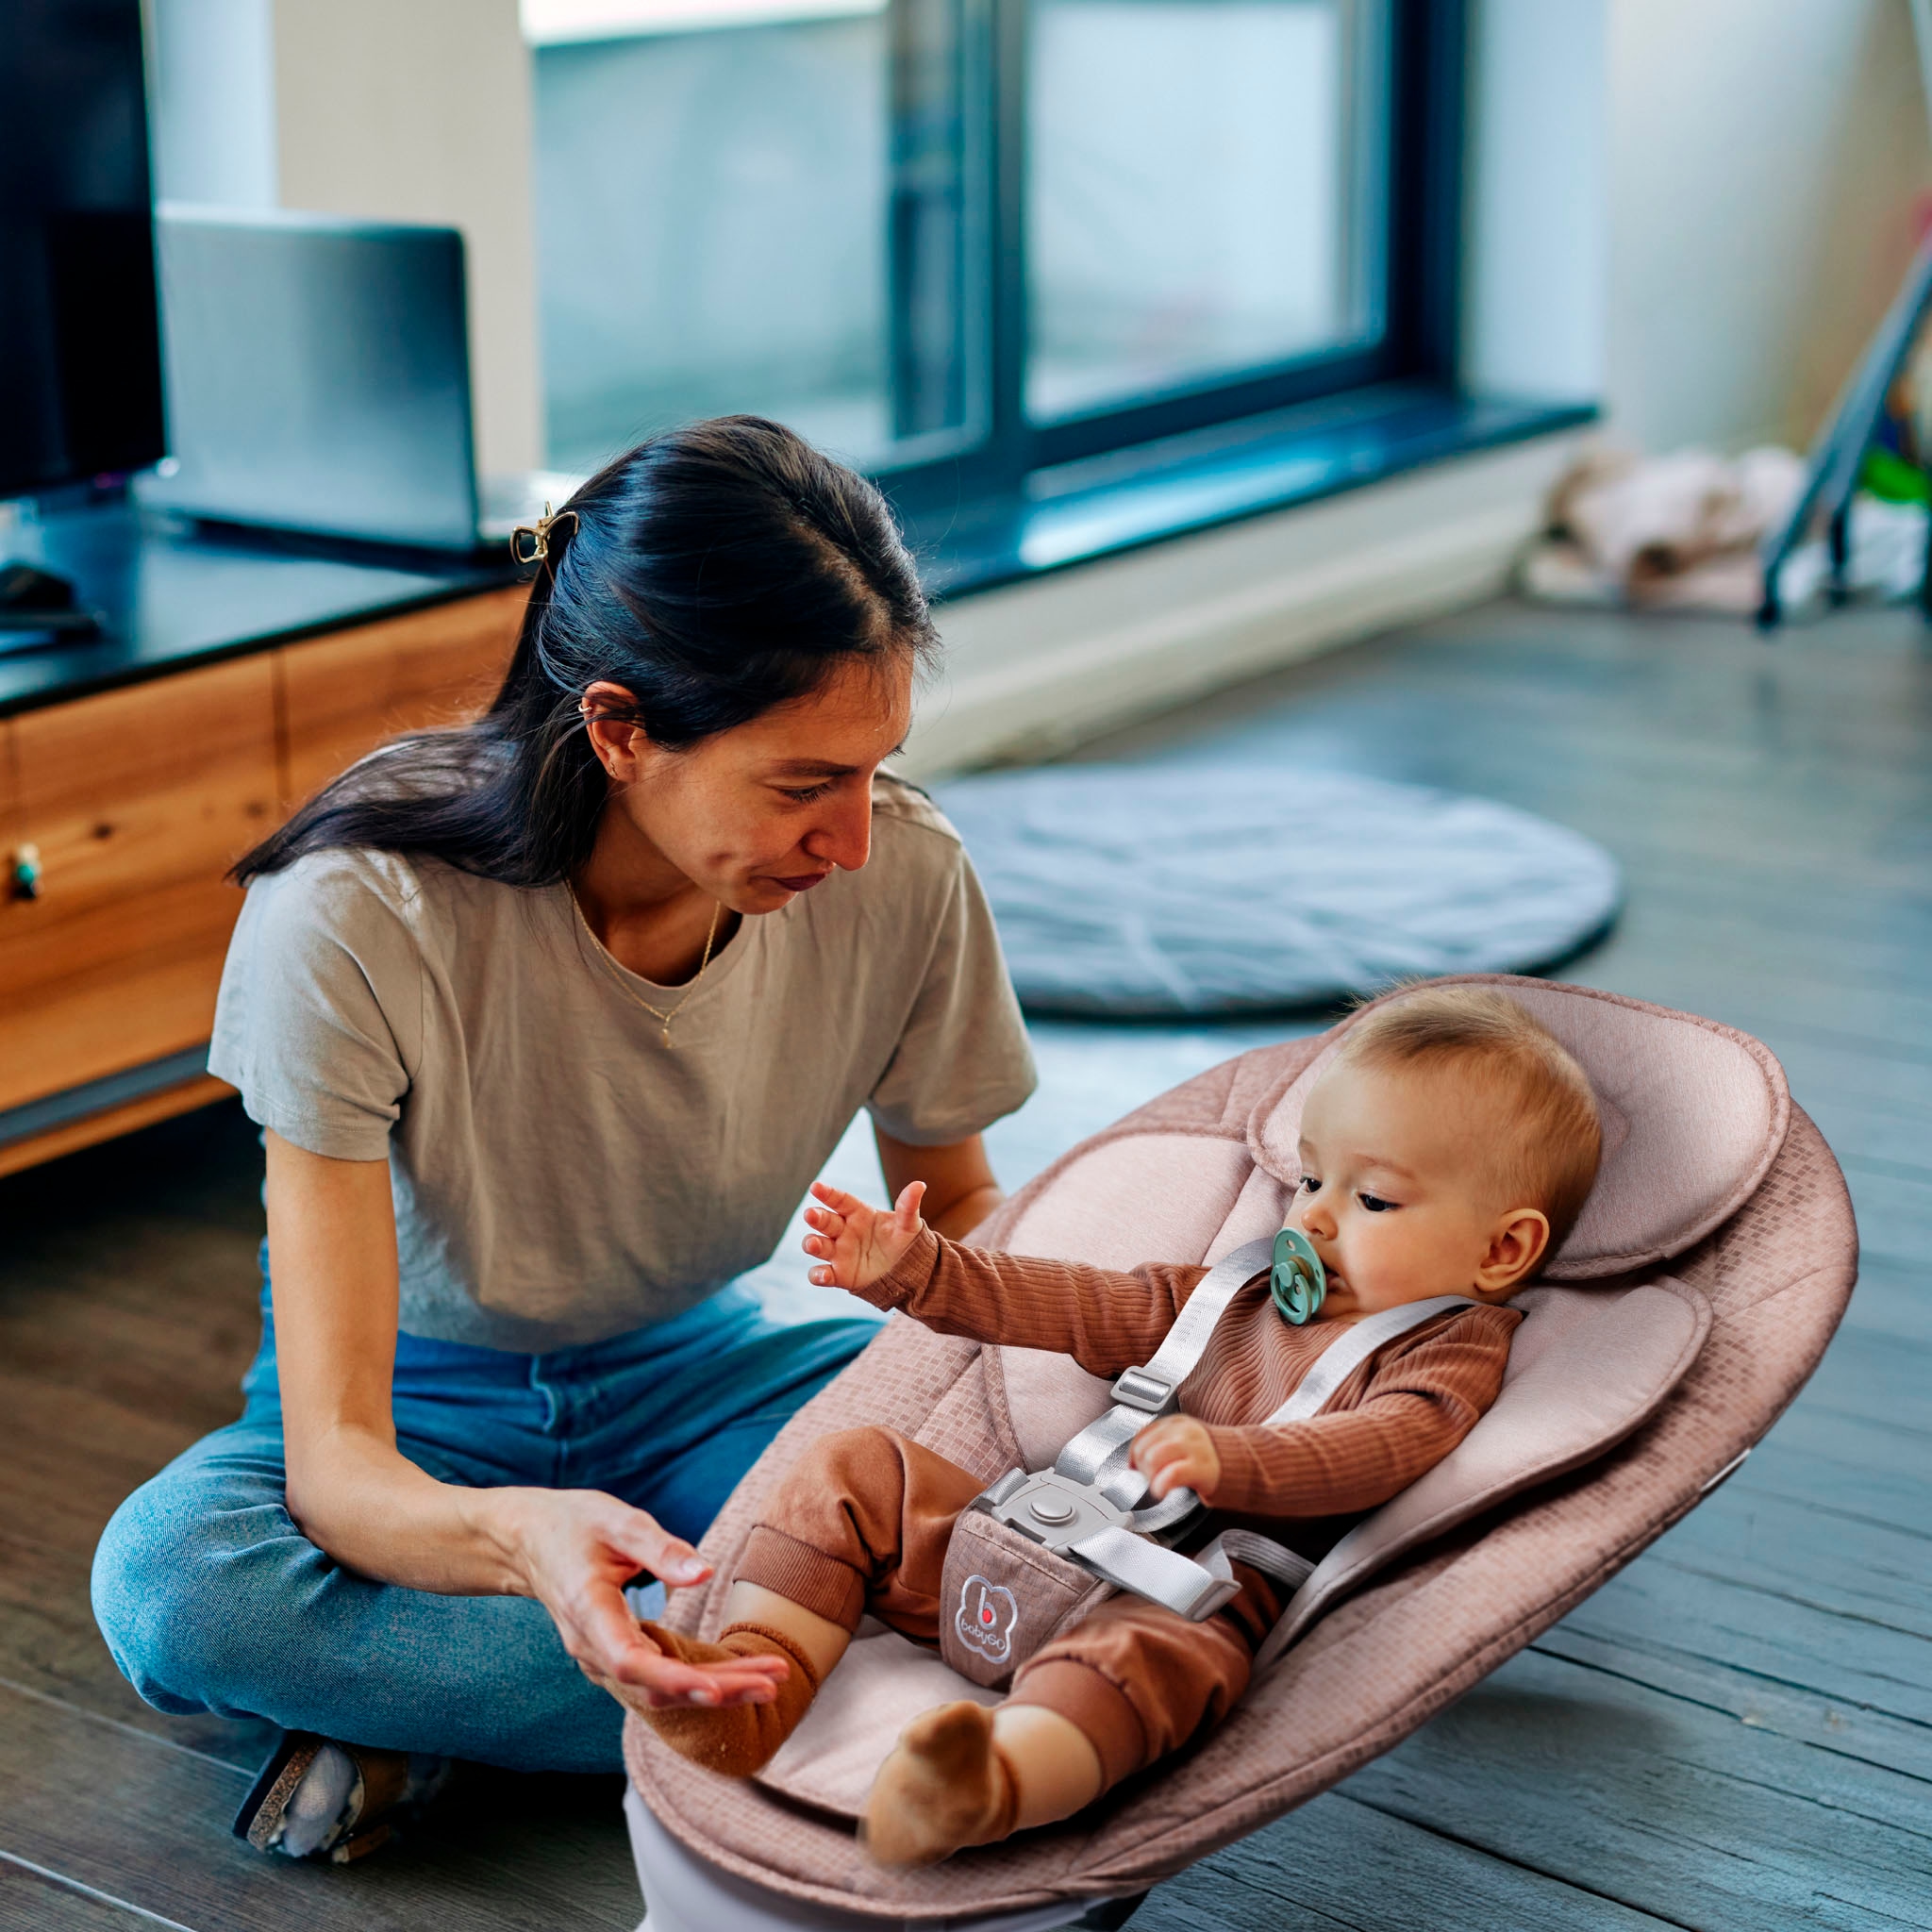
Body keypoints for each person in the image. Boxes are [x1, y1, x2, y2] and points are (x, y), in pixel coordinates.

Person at [89, 417, 1037, 1861]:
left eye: (874, 768)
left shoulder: (905, 874)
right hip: (419, 1414)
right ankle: (800, 1693)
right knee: (175, 1586)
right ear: (619, 729)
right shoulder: (355, 914)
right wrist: (518, 1540)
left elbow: (958, 1207)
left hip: (708, 1377)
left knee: (1011, 1509)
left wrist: (1045, 1358)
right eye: (800, 784)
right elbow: (337, 1462)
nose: (853, 838)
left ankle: (446, 1695)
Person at [635, 987, 1602, 1865]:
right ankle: (751, 1689)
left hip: (1181, 1600)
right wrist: (922, 1272)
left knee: (1146, 1674)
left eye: (1373, 1197)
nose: (1312, 1220)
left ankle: (986, 1783)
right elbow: (1071, 1301)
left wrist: (1230, 1458)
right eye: (1310, 1181)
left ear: (1501, 1248)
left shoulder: (1445, 1349)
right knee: (858, 1467)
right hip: (1022, 1536)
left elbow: (1383, 1447)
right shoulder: (1231, 1292)